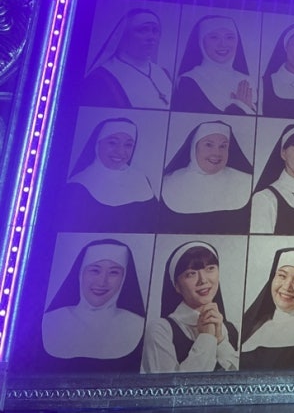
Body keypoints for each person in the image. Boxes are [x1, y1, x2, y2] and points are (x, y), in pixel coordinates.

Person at [41, 238, 145, 371]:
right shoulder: (52, 320)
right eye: (95, 270)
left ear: (124, 278)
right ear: (80, 273)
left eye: (114, 273)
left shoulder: (137, 324)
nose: (102, 282)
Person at [141, 241, 238, 373]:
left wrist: (220, 340)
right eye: (191, 273)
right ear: (177, 286)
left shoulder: (230, 329)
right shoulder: (160, 331)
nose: (203, 280)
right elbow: (172, 385)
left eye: (210, 268)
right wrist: (206, 337)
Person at [61, 117, 157, 231]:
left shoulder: (141, 179)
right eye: (112, 143)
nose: (120, 151)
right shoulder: (77, 185)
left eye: (128, 145)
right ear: (97, 144)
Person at [161, 121, 253, 233]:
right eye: (209, 145)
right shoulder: (168, 183)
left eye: (223, 146)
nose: (217, 153)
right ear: (194, 147)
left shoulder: (248, 183)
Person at [82, 8, 172, 109]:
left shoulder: (163, 73)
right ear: (123, 35)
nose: (151, 37)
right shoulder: (100, 78)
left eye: (155, 30)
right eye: (143, 30)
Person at [172, 15, 257, 114]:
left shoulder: (247, 81)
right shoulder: (188, 80)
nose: (223, 44)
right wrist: (241, 107)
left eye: (229, 37)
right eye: (214, 37)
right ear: (201, 42)